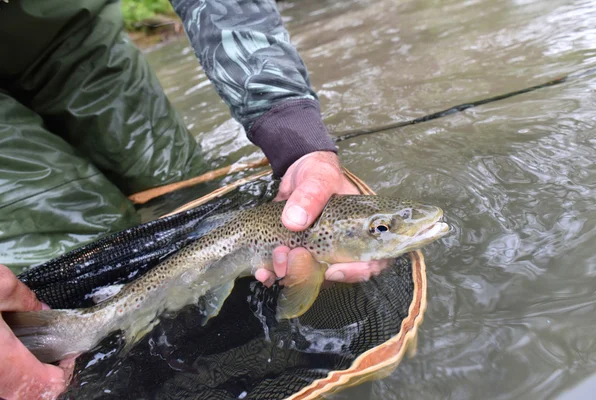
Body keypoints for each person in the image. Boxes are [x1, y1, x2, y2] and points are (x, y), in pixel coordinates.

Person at [0, 0, 387, 398]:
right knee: (86, 238)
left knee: (185, 193)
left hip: (67, 26)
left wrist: (297, 139)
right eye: (381, 229)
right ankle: (81, 333)